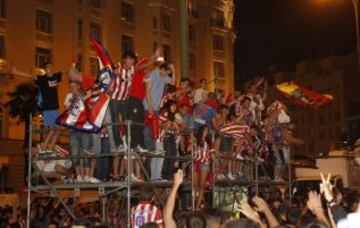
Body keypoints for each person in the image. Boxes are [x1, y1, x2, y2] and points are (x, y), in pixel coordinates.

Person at [143, 62, 175, 180]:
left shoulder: (163, 76)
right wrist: (150, 107)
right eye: (165, 72)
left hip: (155, 110)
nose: (166, 75)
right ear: (161, 69)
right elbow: (147, 91)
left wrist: (173, 70)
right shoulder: (153, 74)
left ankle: (155, 176)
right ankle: (148, 175)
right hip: (148, 108)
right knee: (150, 143)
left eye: (168, 73)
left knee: (155, 144)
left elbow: (172, 82)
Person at [34, 62, 62, 152]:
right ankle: (43, 148)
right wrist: (16, 72)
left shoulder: (55, 77)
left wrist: (71, 67)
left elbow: (64, 71)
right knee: (52, 129)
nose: (50, 68)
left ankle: (49, 148)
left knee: (57, 129)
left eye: (51, 66)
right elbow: (31, 76)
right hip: (47, 109)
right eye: (48, 67)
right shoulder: (42, 79)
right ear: (45, 70)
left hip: (55, 108)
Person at [193, 126, 214, 210]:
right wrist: (192, 144)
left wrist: (216, 166)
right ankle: (196, 203)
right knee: (195, 185)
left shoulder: (209, 142)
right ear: (201, 131)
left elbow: (212, 155)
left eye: (207, 131)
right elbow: (189, 149)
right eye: (205, 130)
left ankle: (197, 206)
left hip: (205, 163)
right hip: (196, 162)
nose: (206, 132)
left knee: (201, 186)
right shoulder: (196, 140)